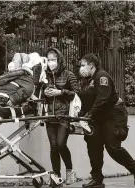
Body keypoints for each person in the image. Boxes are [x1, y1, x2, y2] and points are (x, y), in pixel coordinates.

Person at [78, 53, 135, 188]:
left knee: (112, 147)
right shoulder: (86, 80)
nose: (81, 68)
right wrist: (80, 115)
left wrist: (89, 114)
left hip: (113, 114)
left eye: (83, 65)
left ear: (91, 66)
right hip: (97, 116)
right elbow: (84, 99)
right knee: (93, 146)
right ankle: (97, 180)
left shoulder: (102, 76)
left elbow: (102, 98)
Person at [42, 48, 79, 186]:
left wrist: (60, 92)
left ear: (59, 60)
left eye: (53, 59)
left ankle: (69, 171)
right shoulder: (44, 75)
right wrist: (44, 92)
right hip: (50, 115)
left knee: (61, 144)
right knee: (53, 146)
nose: (51, 62)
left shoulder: (68, 75)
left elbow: (76, 93)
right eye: (49, 59)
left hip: (64, 115)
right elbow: (38, 94)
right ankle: (56, 176)